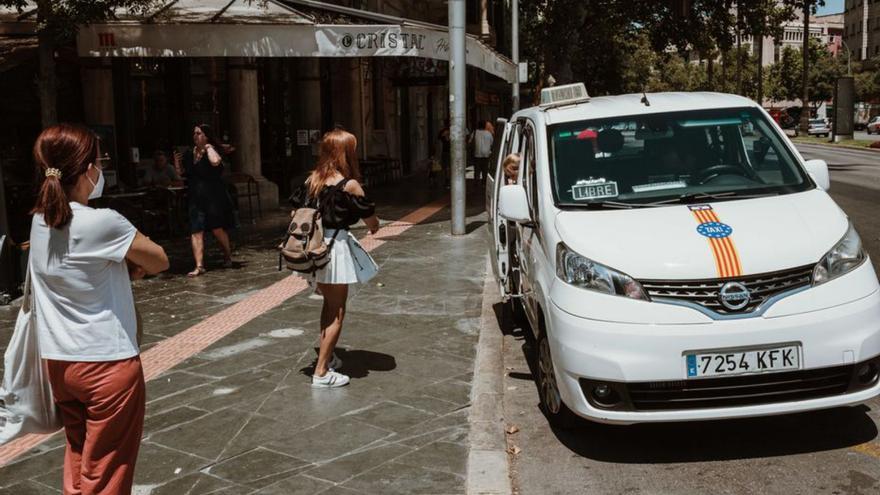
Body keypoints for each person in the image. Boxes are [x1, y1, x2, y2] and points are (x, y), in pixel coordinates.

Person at [28, 124, 169, 494]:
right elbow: (159, 261)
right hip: (107, 364)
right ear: (88, 169)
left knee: (79, 459)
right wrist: (126, 262)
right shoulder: (104, 223)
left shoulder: (40, 221)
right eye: (99, 162)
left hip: (59, 362)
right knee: (107, 473)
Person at [289, 129, 380, 388]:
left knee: (328, 306)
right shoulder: (349, 185)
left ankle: (327, 358)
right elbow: (371, 220)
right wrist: (375, 227)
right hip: (334, 250)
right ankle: (321, 373)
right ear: (345, 153)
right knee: (337, 312)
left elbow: (296, 212)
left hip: (313, 249)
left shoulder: (311, 181)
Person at [173, 124, 236, 277]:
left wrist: (208, 147)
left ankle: (228, 256)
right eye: (194, 133)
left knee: (217, 229)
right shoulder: (189, 153)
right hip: (196, 197)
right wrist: (177, 163)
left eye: (199, 133)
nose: (195, 136)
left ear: (206, 136)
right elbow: (182, 174)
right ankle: (199, 266)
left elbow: (215, 162)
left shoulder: (213, 151)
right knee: (196, 230)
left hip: (214, 197)